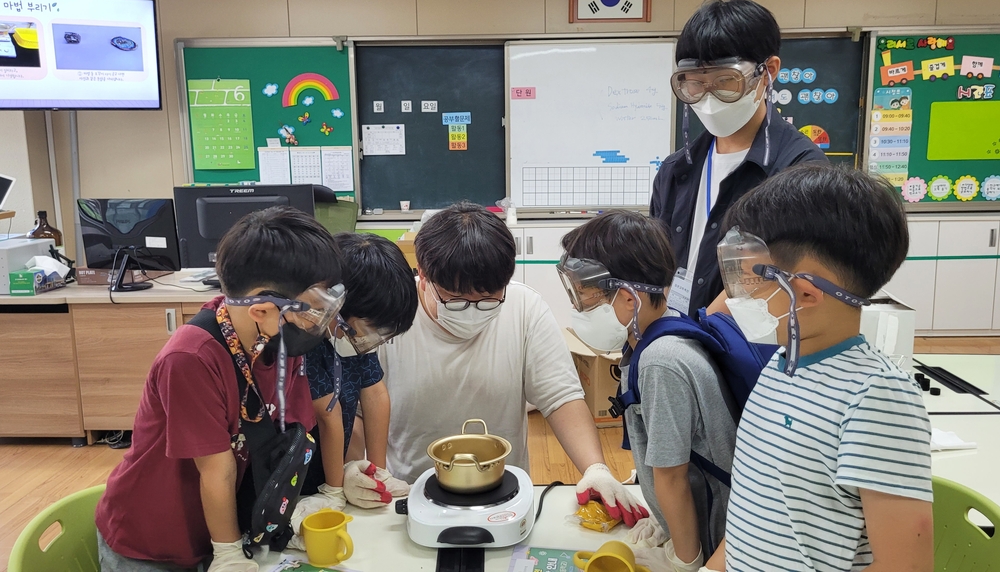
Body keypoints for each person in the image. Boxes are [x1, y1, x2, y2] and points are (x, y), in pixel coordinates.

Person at [706, 164, 932, 571]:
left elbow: (905, 565)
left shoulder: (876, 397)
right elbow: (755, 509)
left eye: (751, 283)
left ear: (806, 294)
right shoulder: (781, 365)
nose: (735, 298)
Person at [95, 207, 345, 571]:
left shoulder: (277, 338)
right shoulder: (190, 358)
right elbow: (217, 470)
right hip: (153, 540)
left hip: (227, 526)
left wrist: (297, 509)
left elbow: (287, 438)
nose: (317, 323)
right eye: (310, 310)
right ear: (260, 309)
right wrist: (227, 552)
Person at [379, 201, 649, 526]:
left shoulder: (524, 307)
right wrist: (364, 472)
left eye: (489, 298)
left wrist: (595, 468)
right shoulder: (391, 316)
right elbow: (362, 408)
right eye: (458, 299)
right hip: (408, 492)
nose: (474, 309)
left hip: (504, 494)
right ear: (422, 274)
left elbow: (560, 397)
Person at [559, 210, 737, 572]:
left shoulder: (661, 361)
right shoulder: (653, 339)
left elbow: (671, 475)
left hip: (712, 538)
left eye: (587, 299)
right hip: (691, 521)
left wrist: (683, 559)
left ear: (628, 299)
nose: (578, 309)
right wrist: (662, 517)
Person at [650, 0, 826, 317]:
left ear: (767, 71)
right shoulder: (676, 170)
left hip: (747, 348)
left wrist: (697, 337)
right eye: (695, 84)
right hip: (676, 336)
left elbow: (778, 279)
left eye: (725, 81)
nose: (708, 98)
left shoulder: (801, 171)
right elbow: (656, 264)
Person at [299, 232, 418, 510]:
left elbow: (375, 394)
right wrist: (335, 488)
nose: (371, 340)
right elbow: (328, 416)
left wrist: (378, 472)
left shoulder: (352, 338)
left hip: (336, 456)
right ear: (335, 305)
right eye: (368, 330)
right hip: (301, 465)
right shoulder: (306, 340)